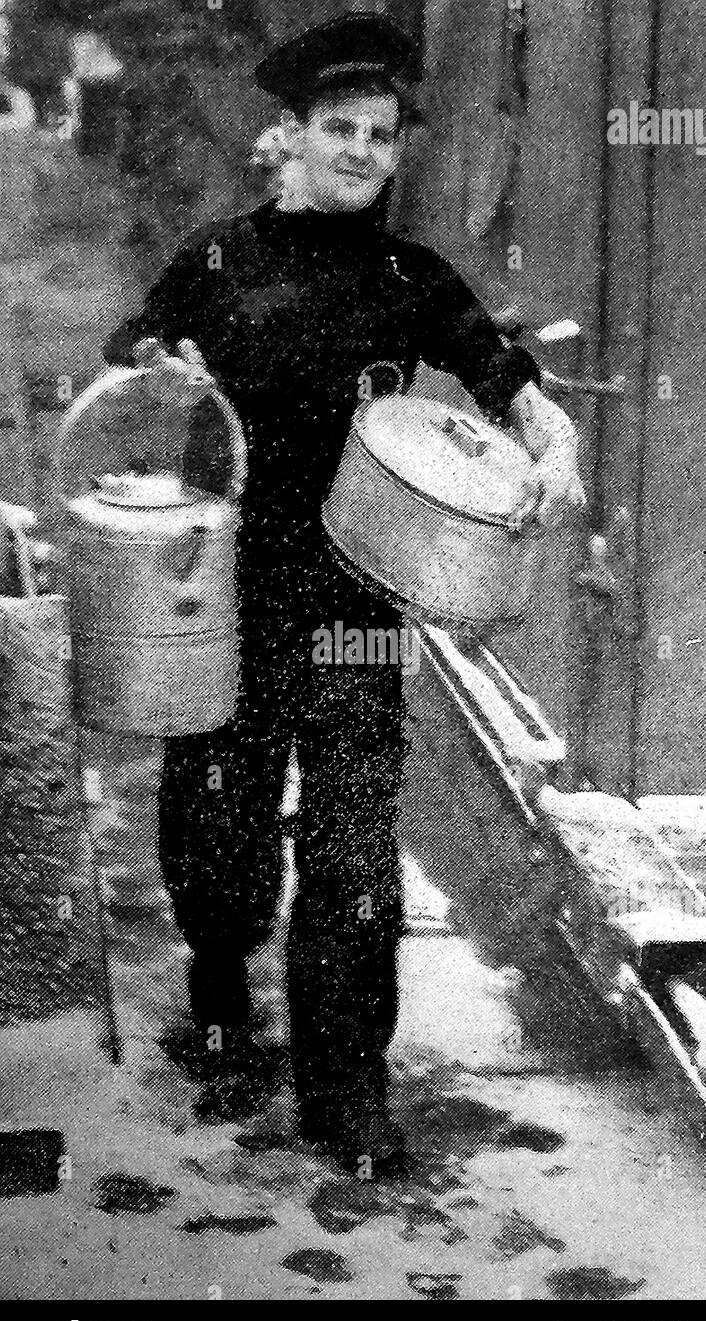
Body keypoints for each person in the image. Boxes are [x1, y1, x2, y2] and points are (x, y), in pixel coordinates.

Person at [104, 11, 585, 1175]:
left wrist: (550, 437)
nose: (363, 151)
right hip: (223, 589)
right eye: (340, 129)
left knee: (355, 853)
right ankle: (220, 1000)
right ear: (294, 135)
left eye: (380, 134)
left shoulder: (409, 274)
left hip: (355, 609)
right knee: (217, 828)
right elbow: (133, 340)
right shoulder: (220, 257)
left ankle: (348, 1088)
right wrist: (158, 364)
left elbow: (498, 369)